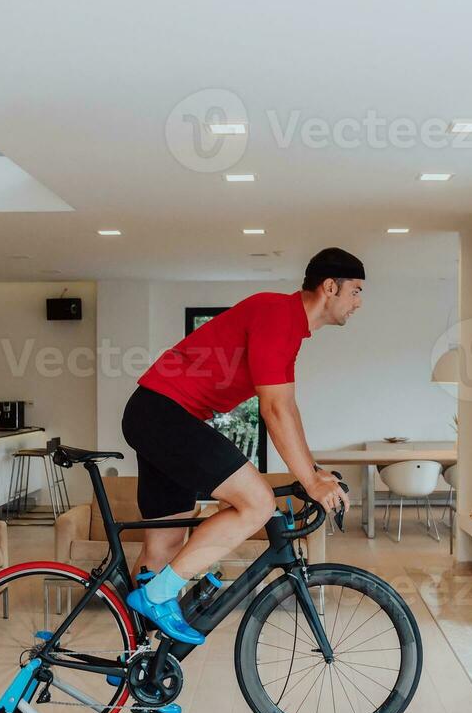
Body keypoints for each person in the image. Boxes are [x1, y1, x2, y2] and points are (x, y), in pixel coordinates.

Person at [119, 248, 362, 643]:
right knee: (258, 503)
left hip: (157, 413)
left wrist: (313, 470)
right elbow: (274, 410)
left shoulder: (288, 328)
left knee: (164, 544)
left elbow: (287, 407)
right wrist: (313, 483)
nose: (358, 303)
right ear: (330, 287)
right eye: (355, 291)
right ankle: (159, 596)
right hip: (165, 414)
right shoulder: (277, 315)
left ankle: (135, 661)